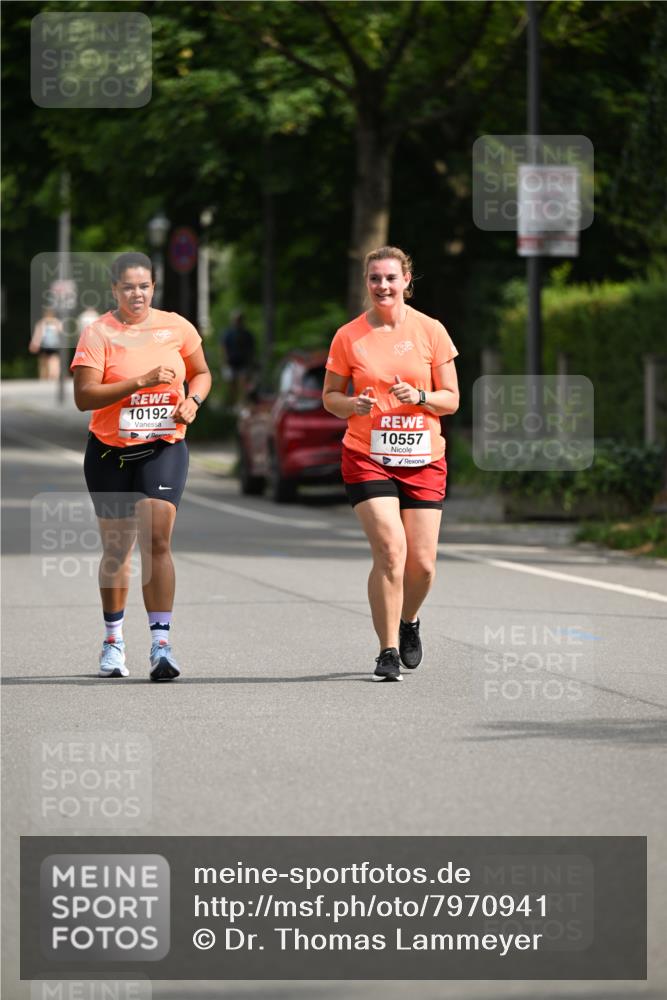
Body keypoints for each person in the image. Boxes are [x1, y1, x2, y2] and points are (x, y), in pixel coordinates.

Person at [71, 251, 212, 681]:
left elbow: (202, 372)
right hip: (110, 453)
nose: (137, 293)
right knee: (118, 550)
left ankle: (161, 645)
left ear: (154, 287)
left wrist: (192, 401)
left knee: (157, 541)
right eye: (128, 286)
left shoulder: (176, 326)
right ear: (114, 289)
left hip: (163, 447)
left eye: (144, 285)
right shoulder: (99, 333)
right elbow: (84, 398)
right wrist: (140, 382)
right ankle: (113, 642)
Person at [323, 246, 459, 682]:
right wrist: (353, 404)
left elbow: (451, 399)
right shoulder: (349, 336)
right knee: (390, 550)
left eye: (390, 278)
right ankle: (387, 650)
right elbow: (330, 397)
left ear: (406, 281)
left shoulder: (431, 330)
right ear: (367, 282)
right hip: (368, 455)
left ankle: (409, 620)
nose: (382, 286)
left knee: (423, 565)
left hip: (423, 457)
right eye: (375, 278)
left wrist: (419, 397)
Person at [220, 309, 255, 407]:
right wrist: (224, 360)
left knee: (244, 383)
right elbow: (223, 347)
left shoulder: (247, 334)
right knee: (232, 385)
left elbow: (251, 349)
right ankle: (234, 403)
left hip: (243, 362)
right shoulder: (228, 334)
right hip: (231, 362)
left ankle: (243, 402)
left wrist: (251, 362)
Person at [30, 307, 63, 380]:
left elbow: (38, 335)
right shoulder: (57, 322)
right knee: (54, 360)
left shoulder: (42, 322)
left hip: (45, 345)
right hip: (54, 345)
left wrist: (34, 344)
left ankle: (44, 376)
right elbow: (61, 332)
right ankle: (54, 375)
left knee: (44, 361)